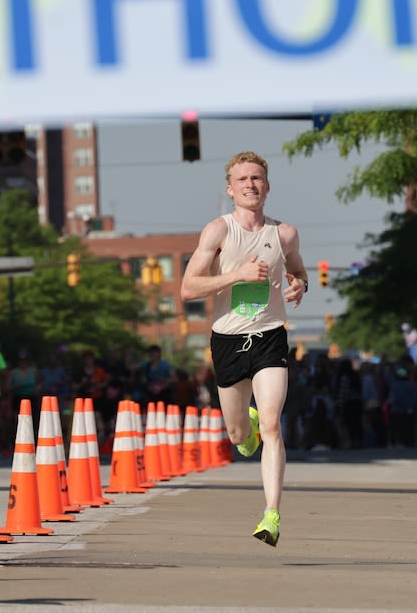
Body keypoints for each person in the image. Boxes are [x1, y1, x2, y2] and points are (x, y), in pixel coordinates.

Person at [180, 150, 306, 546]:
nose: (250, 185)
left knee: (272, 424)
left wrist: (301, 283)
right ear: (230, 189)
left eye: (256, 178)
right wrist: (237, 275)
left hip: (269, 335)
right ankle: (244, 428)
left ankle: (272, 514)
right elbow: (187, 289)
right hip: (228, 339)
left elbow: (298, 269)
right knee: (239, 436)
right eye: (242, 180)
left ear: (267, 186)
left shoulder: (284, 233)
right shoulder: (218, 231)